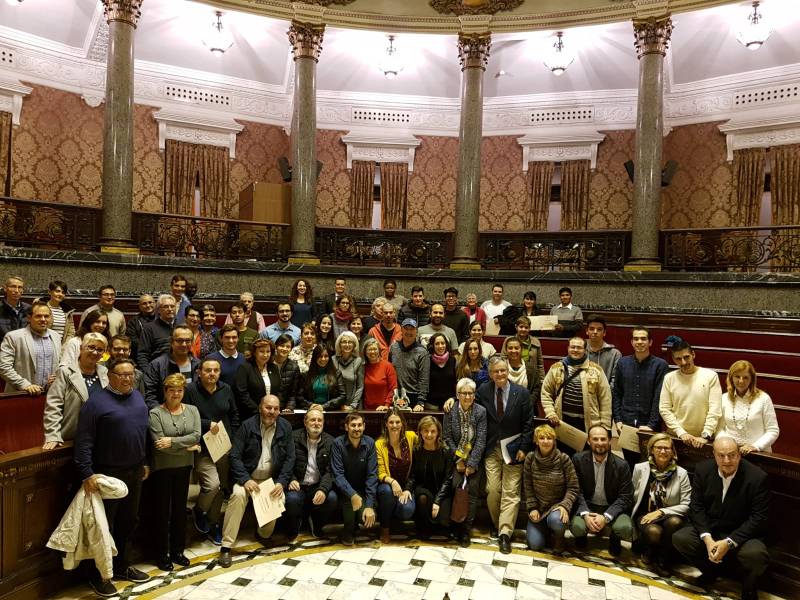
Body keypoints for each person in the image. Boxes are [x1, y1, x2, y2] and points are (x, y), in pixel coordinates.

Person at [74, 358, 151, 595]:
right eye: (123, 375)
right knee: (102, 526)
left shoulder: (137, 396)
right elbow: (83, 442)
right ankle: (98, 575)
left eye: (131, 374)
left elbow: (143, 432)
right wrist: (87, 473)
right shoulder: (95, 403)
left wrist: (146, 461)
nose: (128, 379)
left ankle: (121, 566)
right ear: (110, 376)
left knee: (129, 521)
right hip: (106, 473)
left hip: (135, 470)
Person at [444, 354, 532, 553]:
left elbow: (528, 424)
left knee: (511, 492)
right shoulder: (483, 390)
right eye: (495, 371)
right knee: (492, 490)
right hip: (491, 448)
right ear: (490, 374)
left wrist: (524, 448)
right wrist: (450, 399)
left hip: (513, 449)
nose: (500, 374)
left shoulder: (522, 393)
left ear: (507, 370)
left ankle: (504, 533)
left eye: (502, 370)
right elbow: (466, 400)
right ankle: (496, 523)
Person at [672, 436, 770, 600]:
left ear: (739, 455)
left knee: (756, 555)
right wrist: (707, 538)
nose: (727, 460)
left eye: (732, 455)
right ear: (714, 455)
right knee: (681, 538)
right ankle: (711, 572)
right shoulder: (703, 470)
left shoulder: (757, 477)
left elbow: (758, 518)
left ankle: (749, 586)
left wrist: (729, 542)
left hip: (742, 534)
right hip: (713, 530)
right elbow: (696, 507)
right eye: (721, 455)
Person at [219, 394, 295, 567]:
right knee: (238, 496)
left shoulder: (285, 427)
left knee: (279, 497)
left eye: (276, 409)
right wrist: (245, 479)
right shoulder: (247, 426)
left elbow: (290, 458)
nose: (272, 412)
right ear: (260, 407)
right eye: (268, 408)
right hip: (247, 477)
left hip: (269, 479)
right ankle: (226, 546)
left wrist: (281, 482)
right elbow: (235, 456)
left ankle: (262, 535)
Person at [148, 374, 201, 572]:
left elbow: (196, 435)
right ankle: (162, 553)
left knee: (180, 510)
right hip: (162, 467)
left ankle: (178, 551)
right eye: (172, 390)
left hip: (184, 467)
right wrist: (187, 445)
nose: (176, 394)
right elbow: (159, 444)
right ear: (165, 391)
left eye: (179, 390)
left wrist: (173, 442)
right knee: (162, 511)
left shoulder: (193, 410)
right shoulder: (155, 413)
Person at [185, 357, 239, 546]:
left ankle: (214, 523)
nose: (212, 374)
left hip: (223, 445)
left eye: (216, 370)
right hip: (201, 447)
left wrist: (233, 439)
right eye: (208, 370)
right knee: (212, 485)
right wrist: (208, 425)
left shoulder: (226, 389)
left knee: (221, 487)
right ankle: (199, 510)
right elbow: (185, 418)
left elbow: (233, 415)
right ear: (199, 372)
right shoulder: (190, 390)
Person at [630, 433, 691, 573]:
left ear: (672, 451)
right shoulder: (640, 469)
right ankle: (650, 550)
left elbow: (686, 505)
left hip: (669, 515)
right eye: (659, 447)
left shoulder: (681, 473)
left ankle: (664, 559)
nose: (663, 451)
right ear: (651, 449)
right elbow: (632, 495)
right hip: (645, 514)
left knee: (674, 522)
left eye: (667, 448)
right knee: (654, 532)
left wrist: (661, 512)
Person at [570, 425, 633, 555]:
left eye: (603, 439)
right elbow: (576, 490)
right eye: (595, 439)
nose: (600, 443)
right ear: (588, 441)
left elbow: (625, 497)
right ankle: (581, 537)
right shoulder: (578, 460)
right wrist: (585, 514)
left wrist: (606, 517)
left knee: (625, 528)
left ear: (610, 441)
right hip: (588, 505)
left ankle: (615, 539)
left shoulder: (622, 465)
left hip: (611, 506)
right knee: (577, 527)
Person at [612, 327, 669, 469]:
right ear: (631, 342)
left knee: (650, 464)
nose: (639, 342)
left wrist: (651, 424)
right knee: (630, 464)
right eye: (636, 339)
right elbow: (617, 393)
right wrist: (618, 419)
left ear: (650, 342)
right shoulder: (622, 363)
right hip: (626, 422)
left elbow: (659, 397)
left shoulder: (660, 365)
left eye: (643, 338)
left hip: (649, 424)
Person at [43, 332, 108, 449]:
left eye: (100, 349)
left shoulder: (105, 372)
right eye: (91, 347)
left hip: (100, 436)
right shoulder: (65, 372)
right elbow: (54, 405)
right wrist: (52, 435)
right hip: (72, 436)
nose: (95, 352)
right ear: (81, 348)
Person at [442, 378, 486, 547]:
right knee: (455, 486)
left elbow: (481, 440)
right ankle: (455, 525)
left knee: (472, 491)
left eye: (470, 393)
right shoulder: (450, 410)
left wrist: (472, 464)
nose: (467, 396)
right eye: (464, 393)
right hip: (456, 458)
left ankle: (466, 530)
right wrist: (459, 460)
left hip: (474, 459)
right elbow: (446, 437)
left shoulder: (480, 412)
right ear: (457, 394)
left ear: (474, 395)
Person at [523, 424, 579, 554]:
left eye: (549, 438)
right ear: (536, 441)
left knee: (557, 522)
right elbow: (528, 486)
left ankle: (559, 537)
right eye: (542, 438)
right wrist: (532, 507)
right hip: (539, 508)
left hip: (557, 508)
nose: (546, 441)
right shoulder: (530, 459)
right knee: (535, 545)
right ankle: (545, 531)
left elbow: (573, 487)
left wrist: (565, 505)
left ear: (554, 441)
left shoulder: (563, 459)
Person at [540, 337, 612, 438]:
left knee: (585, 453)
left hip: (588, 423)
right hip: (562, 420)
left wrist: (605, 425)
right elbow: (545, 392)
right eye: (572, 347)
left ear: (585, 350)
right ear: (568, 348)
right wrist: (550, 412)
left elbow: (605, 399)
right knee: (564, 452)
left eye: (579, 347)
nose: (575, 350)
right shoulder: (556, 368)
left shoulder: (596, 370)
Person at [285, 408, 337, 540]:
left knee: (331, 498)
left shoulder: (330, 441)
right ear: (305, 422)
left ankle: (317, 524)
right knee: (291, 499)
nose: (316, 423)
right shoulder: (293, 437)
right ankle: (295, 525)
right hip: (298, 485)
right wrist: (291, 479)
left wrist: (323, 489)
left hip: (317, 485)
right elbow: (285, 461)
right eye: (313, 420)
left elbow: (330, 470)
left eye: (320, 420)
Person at [659, 339, 722, 448]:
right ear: (673, 359)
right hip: (677, 436)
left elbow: (715, 409)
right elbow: (664, 409)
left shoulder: (711, 376)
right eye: (678, 359)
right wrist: (681, 432)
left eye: (686, 357)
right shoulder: (669, 378)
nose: (683, 362)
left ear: (693, 354)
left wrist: (706, 435)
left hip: (703, 439)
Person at [330, 412, 378, 545]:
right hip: (344, 491)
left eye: (359, 425)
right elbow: (338, 475)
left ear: (364, 426)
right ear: (346, 427)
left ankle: (357, 521)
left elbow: (372, 475)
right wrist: (352, 494)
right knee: (350, 516)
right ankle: (349, 529)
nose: (356, 428)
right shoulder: (337, 444)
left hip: (363, 490)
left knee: (367, 517)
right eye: (353, 425)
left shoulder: (370, 443)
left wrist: (369, 505)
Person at [717, 360, 779, 454]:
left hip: (758, 453)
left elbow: (773, 430)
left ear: (752, 379)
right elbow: (719, 429)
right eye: (737, 376)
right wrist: (728, 445)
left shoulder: (764, 398)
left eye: (745, 377)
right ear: (731, 378)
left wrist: (756, 446)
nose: (741, 381)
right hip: (730, 454)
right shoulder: (724, 398)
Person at [375, 409, 418, 543]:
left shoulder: (411, 437)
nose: (394, 425)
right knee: (387, 492)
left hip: (406, 486)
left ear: (403, 423)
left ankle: (393, 515)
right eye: (391, 422)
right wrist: (392, 482)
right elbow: (380, 472)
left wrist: (407, 489)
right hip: (386, 485)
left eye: (397, 422)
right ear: (386, 424)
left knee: (406, 510)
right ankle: (385, 528)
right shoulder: (379, 444)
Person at [0, 301, 61, 393]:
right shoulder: (13, 337)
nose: (43, 319)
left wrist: (57, 376)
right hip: (22, 395)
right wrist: (25, 385)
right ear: (29, 318)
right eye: (38, 316)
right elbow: (4, 367)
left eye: (46, 316)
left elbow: (60, 363)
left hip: (49, 395)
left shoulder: (56, 336)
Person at [408, 416, 453, 538]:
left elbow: (448, 479)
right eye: (425, 431)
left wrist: (438, 501)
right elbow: (413, 475)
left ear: (438, 432)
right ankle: (424, 527)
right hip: (423, 489)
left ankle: (434, 526)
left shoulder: (446, 451)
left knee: (444, 525)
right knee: (422, 497)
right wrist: (407, 489)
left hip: (441, 491)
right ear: (420, 432)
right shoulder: (417, 450)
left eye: (433, 431)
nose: (429, 435)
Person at [143, 326, 199, 409]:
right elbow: (150, 396)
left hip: (192, 416)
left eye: (188, 341)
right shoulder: (157, 365)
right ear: (171, 341)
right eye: (179, 340)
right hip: (164, 415)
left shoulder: (199, 365)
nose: (184, 344)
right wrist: (163, 414)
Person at [234, 338, 281, 422]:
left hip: (272, 414)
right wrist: (259, 410)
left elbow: (279, 390)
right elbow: (242, 394)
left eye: (268, 351)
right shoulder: (245, 367)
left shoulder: (273, 367)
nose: (265, 355)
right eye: (262, 351)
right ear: (254, 353)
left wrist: (274, 409)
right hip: (250, 415)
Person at [501, 316, 544, 403]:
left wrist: (541, 380)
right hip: (511, 373)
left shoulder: (536, 342)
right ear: (516, 327)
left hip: (530, 376)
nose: (523, 329)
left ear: (529, 328)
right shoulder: (509, 340)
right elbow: (503, 358)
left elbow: (540, 364)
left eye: (526, 327)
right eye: (521, 327)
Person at [389, 318, 429, 412]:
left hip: (414, 397)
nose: (409, 332)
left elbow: (424, 379)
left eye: (412, 329)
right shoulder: (394, 348)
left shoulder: (422, 352)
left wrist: (420, 402)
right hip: (396, 396)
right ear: (401, 330)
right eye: (406, 328)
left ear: (416, 332)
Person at [136, 294, 176, 370]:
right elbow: (143, 354)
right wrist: (148, 373)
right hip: (157, 370)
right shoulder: (149, 328)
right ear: (158, 310)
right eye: (166, 306)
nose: (170, 309)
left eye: (172, 306)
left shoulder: (181, 326)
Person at [302, 345, 345, 410]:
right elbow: (299, 397)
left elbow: (342, 396)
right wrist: (311, 405)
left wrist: (324, 406)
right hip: (311, 410)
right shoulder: (306, 375)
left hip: (330, 411)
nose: (323, 359)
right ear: (315, 358)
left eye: (326, 356)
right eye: (320, 356)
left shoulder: (337, 374)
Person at [585, 315, 621, 389]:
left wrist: (603, 395)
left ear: (604, 333)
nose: (595, 332)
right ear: (587, 331)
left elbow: (615, 380)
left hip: (605, 397)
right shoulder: (579, 350)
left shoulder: (615, 354)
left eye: (599, 329)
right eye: (592, 329)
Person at [362, 337, 397, 411]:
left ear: (379, 351)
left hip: (384, 409)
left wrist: (386, 405)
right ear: (365, 352)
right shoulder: (363, 367)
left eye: (375, 349)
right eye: (369, 350)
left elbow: (393, 388)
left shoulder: (388, 366)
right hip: (366, 409)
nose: (372, 352)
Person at [503, 337, 540, 403]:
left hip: (526, 406)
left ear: (521, 349)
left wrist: (528, 403)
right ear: (506, 350)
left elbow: (536, 388)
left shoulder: (531, 368)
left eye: (516, 348)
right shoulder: (501, 367)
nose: (513, 351)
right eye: (510, 348)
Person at [334, 331, 364, 410]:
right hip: (335, 405)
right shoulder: (333, 360)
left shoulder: (358, 361)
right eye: (344, 342)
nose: (347, 345)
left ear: (354, 345)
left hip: (353, 406)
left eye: (350, 342)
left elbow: (360, 387)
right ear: (339, 344)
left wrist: (353, 405)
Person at [272, 333, 302, 411]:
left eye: (288, 347)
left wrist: (289, 408)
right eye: (282, 345)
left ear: (291, 349)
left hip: (284, 408)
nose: (284, 349)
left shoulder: (294, 367)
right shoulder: (267, 363)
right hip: (268, 405)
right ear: (276, 347)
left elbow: (293, 393)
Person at [427, 332, 456, 410]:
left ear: (446, 344)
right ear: (432, 346)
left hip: (449, 405)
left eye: (442, 343)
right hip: (431, 405)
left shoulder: (453, 360)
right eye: (437, 344)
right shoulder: (427, 361)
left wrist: (454, 398)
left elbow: (455, 382)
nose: (440, 346)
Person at [125, 294, 156, 361]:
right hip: (140, 357)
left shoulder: (162, 319)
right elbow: (132, 340)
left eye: (150, 302)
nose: (148, 305)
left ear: (155, 303)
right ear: (140, 306)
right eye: (144, 303)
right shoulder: (133, 322)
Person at [0, 275, 31, 342]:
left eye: (20, 287)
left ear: (22, 291)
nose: (16, 290)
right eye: (13, 286)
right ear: (5, 288)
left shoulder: (28, 308)